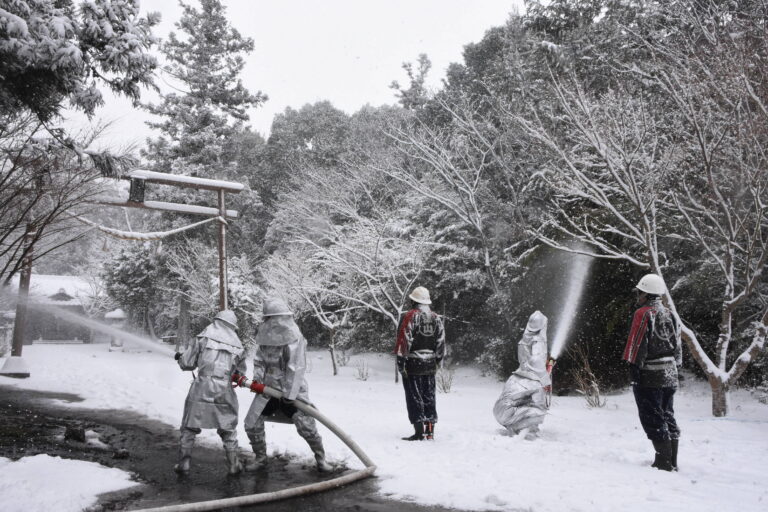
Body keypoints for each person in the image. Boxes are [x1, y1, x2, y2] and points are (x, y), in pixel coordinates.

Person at [243, 298, 331, 472]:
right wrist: (257, 381)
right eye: (267, 319)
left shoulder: (294, 339)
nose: (269, 323)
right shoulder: (264, 339)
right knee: (252, 423)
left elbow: (296, 368)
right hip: (268, 390)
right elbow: (259, 362)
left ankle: (321, 459)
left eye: (271, 319)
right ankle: (261, 458)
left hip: (291, 390)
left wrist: (290, 395)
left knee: (306, 426)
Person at [174, 309, 246, 475]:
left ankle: (184, 463)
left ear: (217, 321)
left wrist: (181, 357)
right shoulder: (239, 347)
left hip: (201, 387)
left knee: (189, 426)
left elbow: (187, 363)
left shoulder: (203, 338)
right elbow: (239, 374)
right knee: (228, 428)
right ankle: (234, 464)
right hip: (225, 390)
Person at [623, 274, 682, 471]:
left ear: (646, 294)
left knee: (652, 416)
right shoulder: (670, 313)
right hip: (670, 374)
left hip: (651, 376)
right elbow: (678, 345)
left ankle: (663, 462)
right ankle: (672, 461)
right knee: (667, 414)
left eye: (639, 292)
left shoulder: (644, 313)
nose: (637, 296)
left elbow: (637, 342)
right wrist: (676, 367)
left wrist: (633, 366)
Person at [394, 286, 446, 441]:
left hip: (413, 364)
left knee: (414, 397)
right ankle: (430, 432)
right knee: (429, 397)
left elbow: (404, 340)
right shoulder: (436, 317)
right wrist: (437, 360)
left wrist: (401, 362)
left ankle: (418, 432)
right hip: (430, 364)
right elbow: (441, 342)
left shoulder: (410, 316)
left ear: (413, 301)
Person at [493, 311, 551, 439]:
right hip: (508, 413)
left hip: (499, 411)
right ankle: (526, 430)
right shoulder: (538, 341)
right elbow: (536, 360)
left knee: (522, 400)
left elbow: (529, 361)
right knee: (540, 411)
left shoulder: (524, 340)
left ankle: (516, 423)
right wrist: (545, 380)